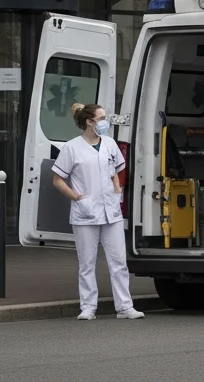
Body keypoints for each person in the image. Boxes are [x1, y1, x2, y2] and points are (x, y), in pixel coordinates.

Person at [52, 102, 145, 321]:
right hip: (85, 212)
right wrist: (77, 197)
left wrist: (117, 187)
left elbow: (115, 169)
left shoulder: (110, 144)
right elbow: (58, 180)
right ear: (89, 122)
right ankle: (88, 307)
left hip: (111, 211)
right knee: (87, 263)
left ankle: (125, 307)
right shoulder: (72, 148)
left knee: (119, 262)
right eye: (102, 119)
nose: (106, 122)